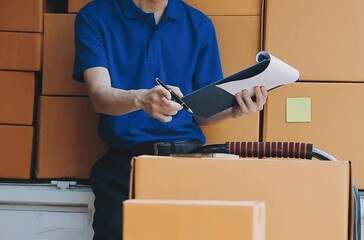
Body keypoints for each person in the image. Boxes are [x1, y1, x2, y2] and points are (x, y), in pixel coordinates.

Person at [73, 0, 268, 239]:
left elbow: (201, 112)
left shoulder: (199, 24)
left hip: (187, 164)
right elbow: (99, 97)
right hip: (124, 166)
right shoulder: (95, 16)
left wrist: (234, 110)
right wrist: (141, 99)